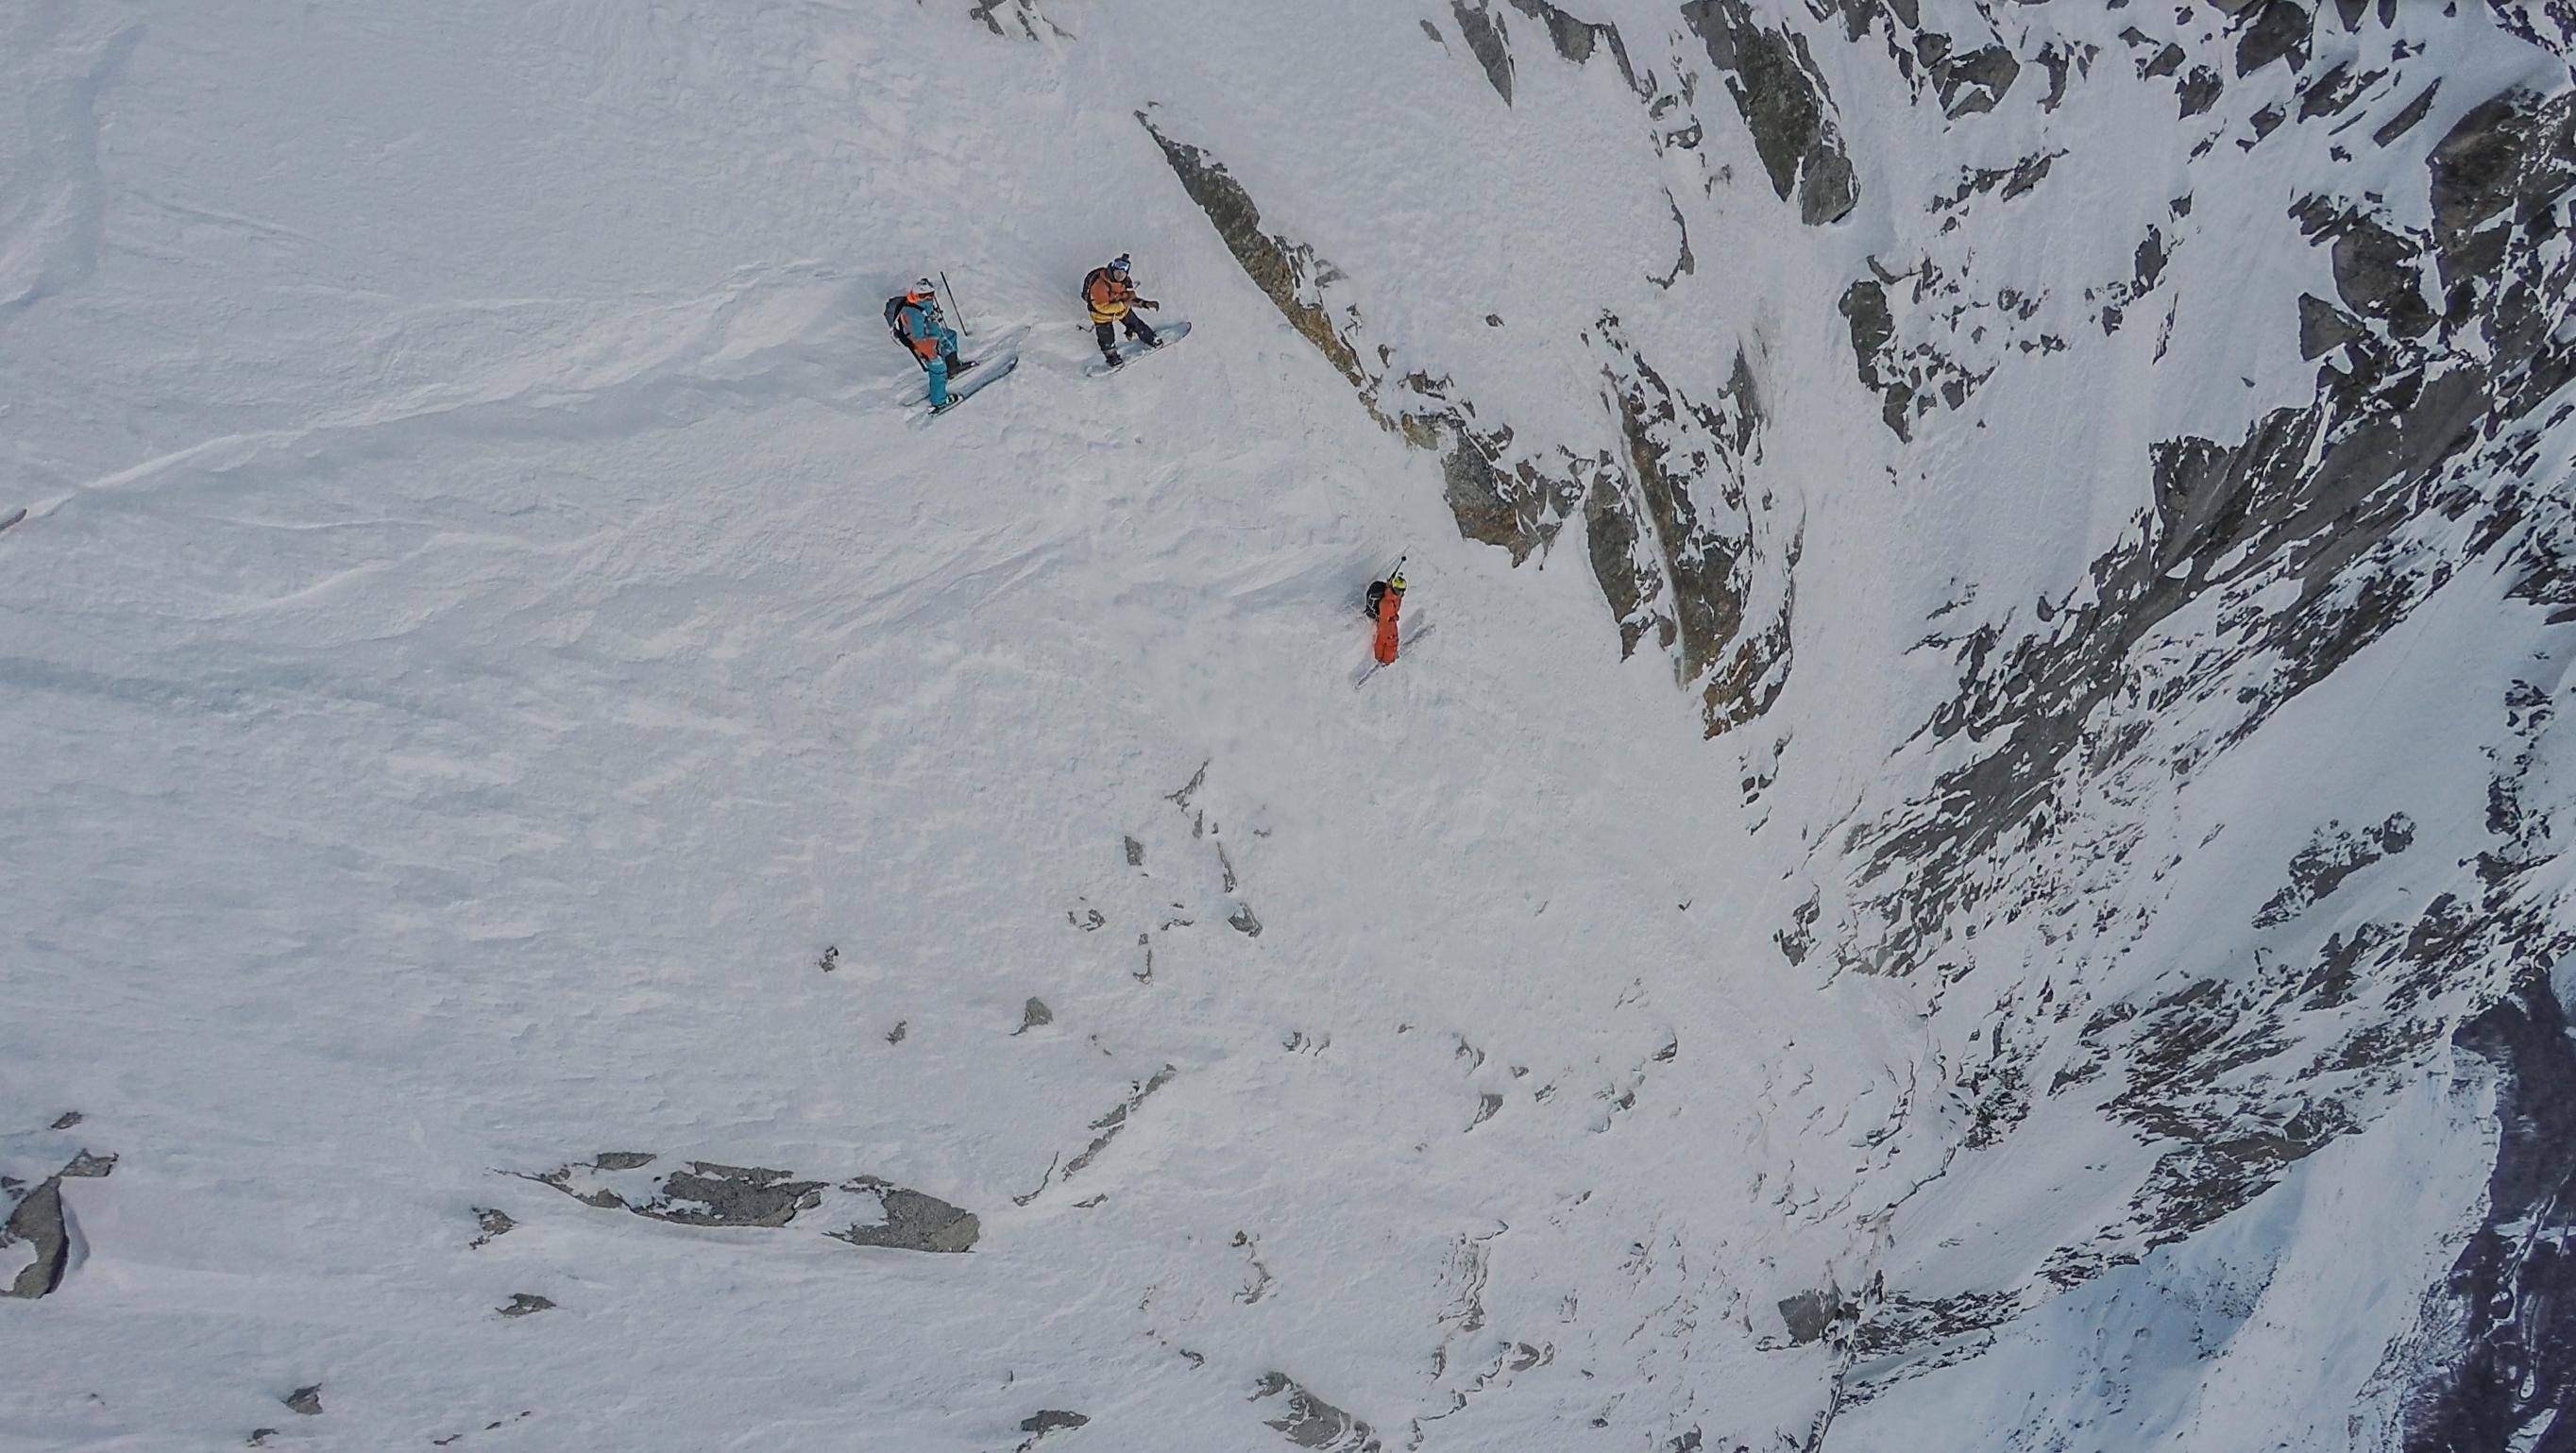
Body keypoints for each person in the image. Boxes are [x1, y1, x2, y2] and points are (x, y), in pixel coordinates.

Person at [887, 279, 974, 410]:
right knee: (938, 368)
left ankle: (952, 366)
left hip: (932, 334)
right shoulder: (913, 314)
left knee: (951, 335)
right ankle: (939, 401)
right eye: (923, 296)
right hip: (923, 344)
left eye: (931, 294)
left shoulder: (923, 306)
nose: (928, 298)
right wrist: (932, 355)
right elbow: (917, 339)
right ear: (915, 296)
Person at [1082, 253, 1161, 367]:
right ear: (1112, 269)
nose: (1120, 275)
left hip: (1120, 310)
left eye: (1123, 273)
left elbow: (1130, 297)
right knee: (1106, 337)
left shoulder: (1125, 282)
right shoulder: (1100, 286)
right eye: (1118, 272)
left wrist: (1144, 303)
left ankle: (1151, 338)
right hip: (1101, 316)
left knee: (1136, 323)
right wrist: (1123, 304)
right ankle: (1112, 357)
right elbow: (1101, 307)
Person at [1364, 569, 1406, 665]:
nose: (1401, 594)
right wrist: (1395, 617)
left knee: (1381, 640)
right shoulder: (1388, 604)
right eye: (1400, 592)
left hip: (1382, 625)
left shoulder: (1388, 592)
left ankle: (1378, 656)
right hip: (1388, 627)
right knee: (1392, 644)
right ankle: (1387, 661)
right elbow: (1389, 617)